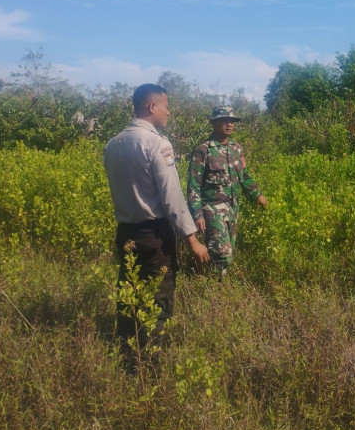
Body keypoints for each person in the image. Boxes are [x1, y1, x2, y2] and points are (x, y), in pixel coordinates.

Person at [103, 83, 210, 360]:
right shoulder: (158, 144)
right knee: (157, 301)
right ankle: (149, 365)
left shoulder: (113, 144)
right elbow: (172, 198)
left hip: (125, 232)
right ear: (152, 107)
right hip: (154, 236)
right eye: (165, 105)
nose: (169, 111)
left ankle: (127, 358)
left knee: (130, 296)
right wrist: (193, 240)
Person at [187, 106, 268, 277]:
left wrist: (257, 194)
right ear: (213, 123)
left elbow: (244, 175)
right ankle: (215, 289)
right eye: (224, 120)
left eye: (232, 121)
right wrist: (198, 215)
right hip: (213, 210)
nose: (229, 124)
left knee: (228, 252)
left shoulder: (237, 148)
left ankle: (214, 282)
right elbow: (194, 186)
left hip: (233, 209)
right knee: (221, 253)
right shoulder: (203, 150)